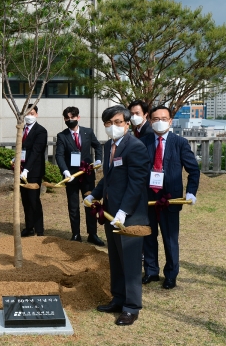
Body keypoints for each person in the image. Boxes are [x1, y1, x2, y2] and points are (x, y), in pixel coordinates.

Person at [84, 105, 149, 326]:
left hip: (129, 216)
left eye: (118, 122)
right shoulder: (109, 146)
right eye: (109, 123)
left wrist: (124, 211)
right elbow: (109, 178)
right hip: (111, 214)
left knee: (130, 263)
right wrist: (94, 194)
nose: (113, 127)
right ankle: (118, 298)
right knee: (116, 259)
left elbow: (137, 182)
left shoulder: (135, 147)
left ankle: (131, 307)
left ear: (128, 124)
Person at [141, 106, 200, 290]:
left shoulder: (180, 143)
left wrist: (191, 191)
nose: (160, 121)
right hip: (148, 198)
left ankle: (171, 274)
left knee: (170, 238)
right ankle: (151, 270)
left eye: (164, 118)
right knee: (148, 237)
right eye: (156, 118)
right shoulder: (143, 142)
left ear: (170, 121)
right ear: (150, 121)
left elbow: (193, 170)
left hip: (170, 200)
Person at [55, 106, 104, 245]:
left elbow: (97, 146)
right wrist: (65, 171)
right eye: (67, 118)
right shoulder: (62, 136)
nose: (70, 120)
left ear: (78, 117)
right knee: (73, 205)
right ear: (65, 119)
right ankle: (76, 234)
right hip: (71, 176)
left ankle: (92, 234)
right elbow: (59, 155)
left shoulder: (88, 132)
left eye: (72, 117)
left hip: (87, 175)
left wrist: (99, 159)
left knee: (90, 204)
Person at [19, 105, 48, 237]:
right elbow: (21, 148)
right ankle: (29, 227)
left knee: (34, 200)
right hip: (21, 170)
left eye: (32, 113)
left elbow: (36, 151)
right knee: (25, 200)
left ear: (36, 115)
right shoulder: (22, 129)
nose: (29, 116)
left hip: (34, 171)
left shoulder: (41, 131)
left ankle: (39, 229)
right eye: (27, 113)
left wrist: (27, 169)